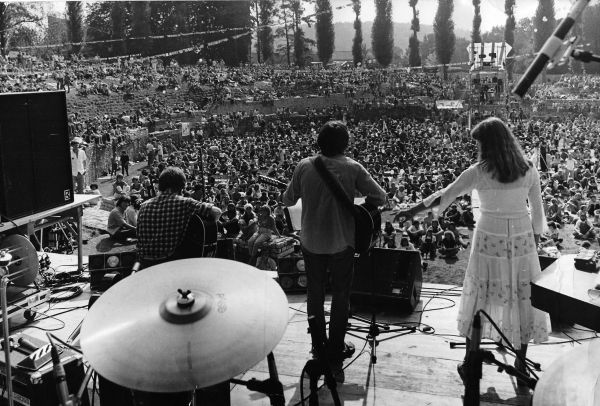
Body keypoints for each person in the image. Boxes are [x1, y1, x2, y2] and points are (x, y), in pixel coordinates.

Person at [395, 117, 550, 387]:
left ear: (487, 144)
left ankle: (471, 361)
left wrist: (413, 210)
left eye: (479, 144)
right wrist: (533, 240)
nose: (477, 149)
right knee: (522, 293)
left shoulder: (479, 170)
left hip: (489, 238)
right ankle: (521, 361)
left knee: (479, 296)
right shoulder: (529, 169)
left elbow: (447, 193)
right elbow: (538, 212)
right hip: (522, 240)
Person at [283, 120, 386, 383]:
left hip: (311, 241)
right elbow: (381, 197)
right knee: (341, 295)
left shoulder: (304, 165)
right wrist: (358, 203)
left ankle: (318, 345)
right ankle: (335, 347)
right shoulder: (352, 167)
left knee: (314, 293)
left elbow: (288, 200)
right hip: (342, 242)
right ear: (345, 143)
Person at [137, 167, 221, 267]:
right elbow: (217, 212)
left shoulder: (144, 206)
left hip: (144, 263)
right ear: (180, 185)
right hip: (170, 262)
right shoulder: (184, 202)